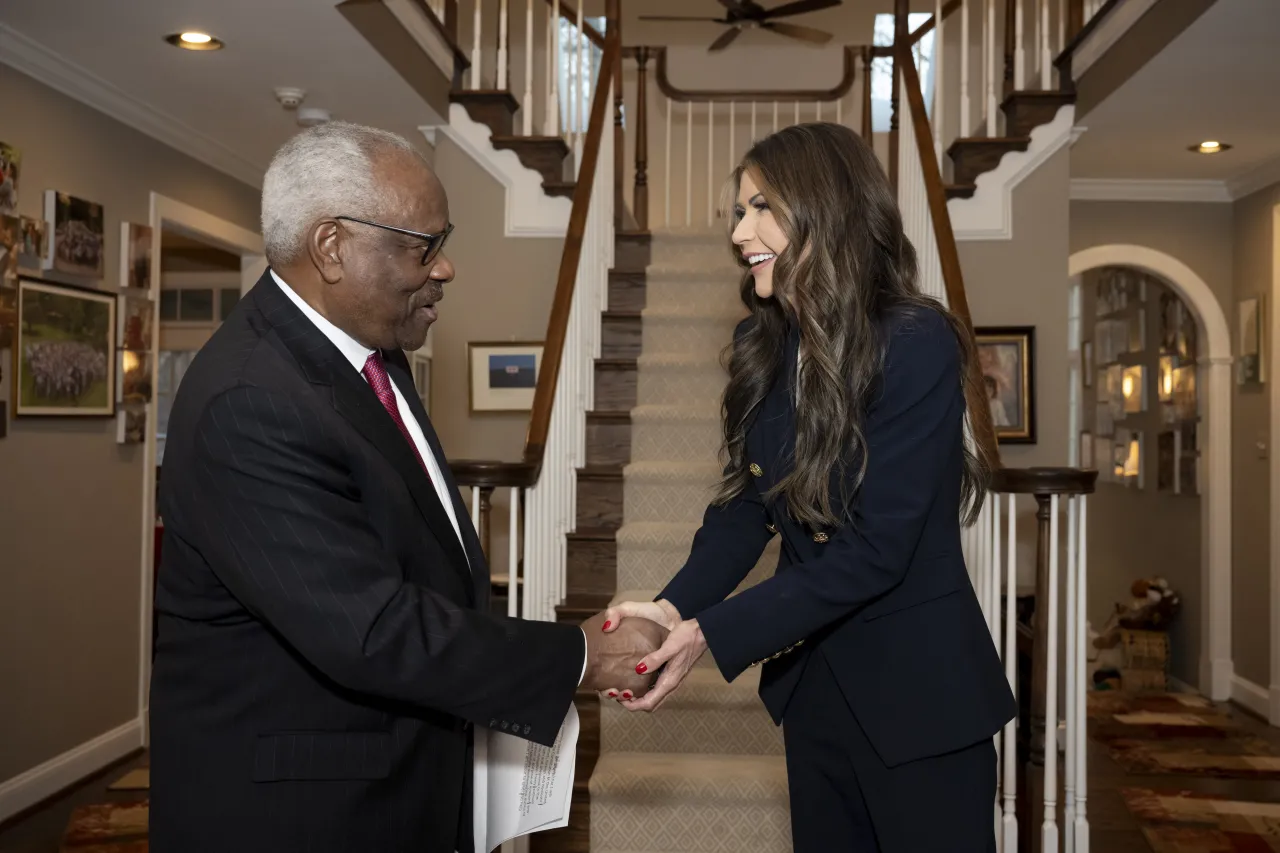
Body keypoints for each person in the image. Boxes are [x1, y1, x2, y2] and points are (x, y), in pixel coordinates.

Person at [149, 121, 664, 853]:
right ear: (332, 247)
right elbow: (373, 630)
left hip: (395, 785)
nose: (446, 268)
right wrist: (577, 654)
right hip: (301, 818)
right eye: (423, 246)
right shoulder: (251, 401)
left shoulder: (370, 355)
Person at [599, 123, 1017, 852]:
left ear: (828, 209)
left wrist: (708, 635)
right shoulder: (764, 344)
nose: (741, 233)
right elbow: (742, 509)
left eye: (762, 207)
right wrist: (671, 605)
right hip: (815, 689)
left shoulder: (916, 341)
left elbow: (878, 549)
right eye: (740, 211)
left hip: (920, 699)